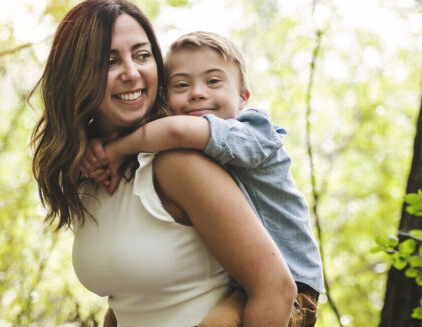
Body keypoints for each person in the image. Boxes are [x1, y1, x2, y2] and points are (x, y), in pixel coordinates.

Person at [29, 0, 296, 327]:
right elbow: (131, 300)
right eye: (110, 61)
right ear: (76, 75)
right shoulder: (91, 175)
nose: (132, 72)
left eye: (142, 55)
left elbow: (276, 290)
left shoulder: (177, 164)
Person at [81, 31, 325, 326]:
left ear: (243, 97)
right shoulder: (183, 153)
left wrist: (116, 150)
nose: (197, 92)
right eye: (181, 85)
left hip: (296, 285)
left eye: (213, 81)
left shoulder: (253, 132)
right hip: (240, 283)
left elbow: (175, 131)